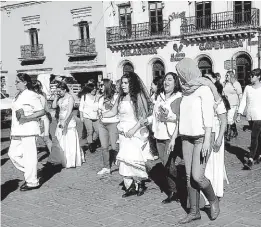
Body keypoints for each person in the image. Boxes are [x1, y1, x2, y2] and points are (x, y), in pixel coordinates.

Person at [175, 58, 220, 224]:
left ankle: (213, 200)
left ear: (187, 73)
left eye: (180, 74)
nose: (179, 78)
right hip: (186, 137)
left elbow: (209, 116)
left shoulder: (203, 89)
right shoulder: (184, 92)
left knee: (197, 176)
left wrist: (208, 139)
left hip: (202, 137)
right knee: (189, 177)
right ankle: (194, 212)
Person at [101, 72, 154, 197]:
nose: (123, 86)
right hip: (123, 134)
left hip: (136, 133)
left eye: (126, 83)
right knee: (125, 160)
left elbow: (142, 117)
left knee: (135, 159)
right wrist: (102, 114)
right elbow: (113, 111)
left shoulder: (139, 97)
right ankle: (129, 186)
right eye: (122, 83)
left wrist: (133, 130)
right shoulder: (120, 97)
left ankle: (140, 183)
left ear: (132, 84)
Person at [147, 72, 182, 203]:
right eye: (165, 80)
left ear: (175, 83)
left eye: (170, 80)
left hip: (171, 135)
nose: (166, 82)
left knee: (169, 164)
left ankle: (178, 188)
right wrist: (147, 120)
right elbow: (155, 115)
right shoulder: (159, 96)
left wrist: (169, 116)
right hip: (159, 134)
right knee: (166, 164)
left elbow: (180, 117)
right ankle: (174, 190)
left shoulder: (178, 97)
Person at [8, 73, 45, 191]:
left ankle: (32, 181)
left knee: (30, 156)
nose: (15, 83)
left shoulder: (31, 95)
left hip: (28, 129)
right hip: (17, 130)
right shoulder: (17, 95)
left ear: (25, 82)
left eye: (17, 81)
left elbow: (41, 111)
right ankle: (32, 171)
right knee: (13, 154)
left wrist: (27, 118)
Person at [202, 72, 229, 204]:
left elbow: (224, 121)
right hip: (204, 135)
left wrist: (219, 139)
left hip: (216, 133)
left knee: (215, 163)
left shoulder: (218, 99)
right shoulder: (202, 98)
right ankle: (205, 194)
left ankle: (216, 191)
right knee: (205, 165)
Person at [48, 82, 84, 168]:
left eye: (60, 91)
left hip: (68, 120)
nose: (58, 93)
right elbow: (53, 106)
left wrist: (65, 120)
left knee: (69, 139)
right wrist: (56, 98)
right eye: (57, 91)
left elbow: (69, 110)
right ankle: (62, 158)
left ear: (64, 90)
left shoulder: (70, 98)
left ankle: (71, 160)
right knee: (61, 139)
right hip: (60, 120)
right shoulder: (60, 98)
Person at [237, 68, 261, 170]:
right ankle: (259, 155)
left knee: (254, 137)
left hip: (259, 117)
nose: (250, 77)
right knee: (258, 137)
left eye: (252, 75)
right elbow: (243, 102)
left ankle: (250, 159)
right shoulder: (247, 88)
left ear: (259, 77)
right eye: (250, 75)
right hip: (250, 116)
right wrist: (239, 113)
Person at [97, 79, 119, 175]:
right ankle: (106, 167)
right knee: (104, 146)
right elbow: (99, 110)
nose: (100, 87)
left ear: (106, 86)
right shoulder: (100, 98)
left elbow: (116, 110)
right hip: (102, 124)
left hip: (113, 123)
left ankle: (120, 164)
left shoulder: (116, 97)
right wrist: (99, 113)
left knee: (114, 146)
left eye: (101, 85)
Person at [79, 83, 100, 153]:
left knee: (98, 130)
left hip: (96, 116)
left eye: (95, 88)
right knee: (89, 131)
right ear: (89, 89)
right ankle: (90, 144)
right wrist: (81, 116)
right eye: (93, 88)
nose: (94, 89)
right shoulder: (84, 97)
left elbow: (98, 108)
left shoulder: (97, 97)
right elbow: (81, 108)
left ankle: (92, 141)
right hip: (87, 116)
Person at [33, 80, 52, 154]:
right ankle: (53, 155)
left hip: (39, 118)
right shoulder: (42, 95)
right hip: (42, 118)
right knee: (45, 138)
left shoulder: (36, 96)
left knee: (35, 138)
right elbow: (46, 108)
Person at [223, 71, 242, 141]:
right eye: (226, 75)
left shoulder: (236, 84)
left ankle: (228, 134)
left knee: (229, 118)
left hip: (233, 104)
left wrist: (240, 105)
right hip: (226, 104)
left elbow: (240, 94)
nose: (226, 77)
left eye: (227, 75)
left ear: (231, 76)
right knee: (229, 119)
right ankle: (235, 131)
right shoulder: (225, 83)